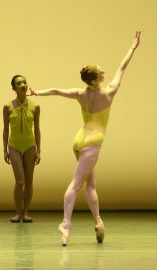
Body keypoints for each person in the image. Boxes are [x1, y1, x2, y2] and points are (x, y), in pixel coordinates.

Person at [29, 31, 141, 246]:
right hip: (93, 142)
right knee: (76, 184)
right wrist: (133, 47)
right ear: (97, 78)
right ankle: (66, 225)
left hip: (80, 139)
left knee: (91, 184)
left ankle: (99, 223)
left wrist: (38, 93)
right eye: (101, 71)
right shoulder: (109, 92)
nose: (104, 71)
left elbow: (56, 91)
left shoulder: (80, 94)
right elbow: (122, 67)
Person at [3, 75, 41, 223]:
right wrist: (5, 150)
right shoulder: (8, 106)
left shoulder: (35, 106)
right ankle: (17, 212)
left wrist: (39, 150)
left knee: (29, 181)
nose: (23, 85)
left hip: (30, 145)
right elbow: (5, 130)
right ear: (14, 88)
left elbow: (37, 130)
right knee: (20, 181)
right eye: (19, 83)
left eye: (25, 82)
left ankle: (26, 212)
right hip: (14, 146)